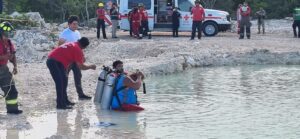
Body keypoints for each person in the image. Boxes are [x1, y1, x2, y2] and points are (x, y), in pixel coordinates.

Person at [47, 37, 96, 109]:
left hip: (58, 62)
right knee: (60, 83)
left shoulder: (74, 44)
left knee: (64, 81)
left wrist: (66, 71)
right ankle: (60, 105)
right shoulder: (77, 49)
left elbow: (69, 58)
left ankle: (65, 101)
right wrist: (90, 67)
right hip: (53, 62)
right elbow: (81, 66)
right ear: (84, 46)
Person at [58, 15, 92, 100]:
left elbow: (80, 46)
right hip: (67, 60)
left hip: (76, 59)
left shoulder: (77, 33)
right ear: (69, 24)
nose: (76, 26)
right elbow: (60, 47)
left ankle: (81, 94)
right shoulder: (64, 33)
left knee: (78, 76)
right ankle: (63, 96)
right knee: (64, 78)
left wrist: (82, 56)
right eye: (74, 24)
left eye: (77, 24)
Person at [0, 22, 22, 114]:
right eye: (6, 34)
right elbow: (6, 56)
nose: (8, 36)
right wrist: (4, 57)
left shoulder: (9, 43)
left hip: (3, 69)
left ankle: (12, 110)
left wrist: (15, 66)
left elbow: (13, 56)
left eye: (9, 34)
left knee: (11, 90)